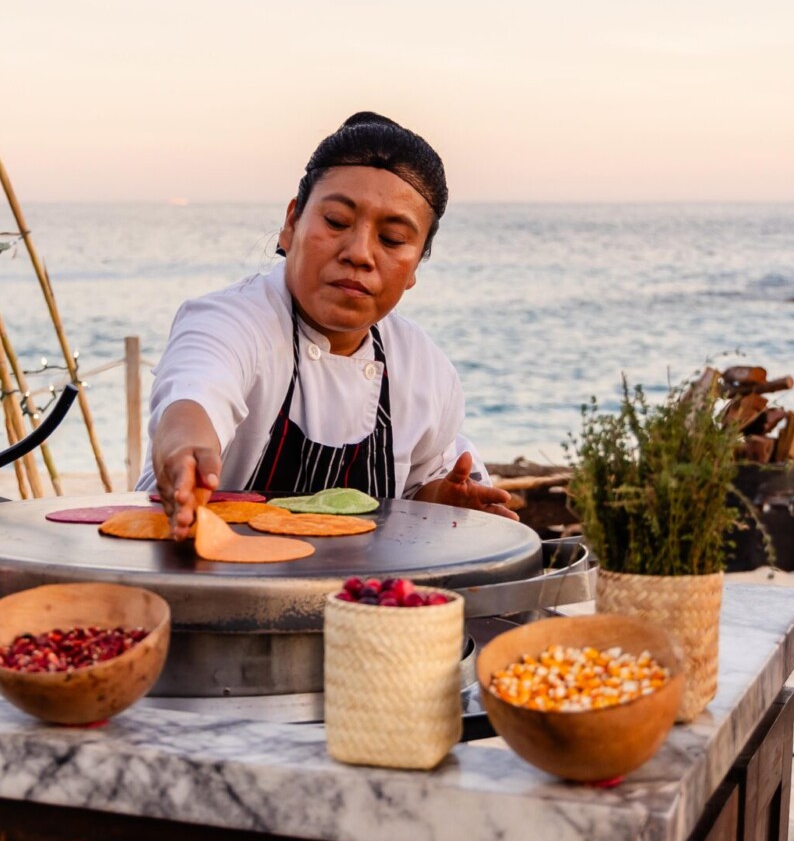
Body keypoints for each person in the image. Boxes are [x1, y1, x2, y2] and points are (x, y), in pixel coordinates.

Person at [138, 111, 516, 538]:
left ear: (415, 267)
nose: (359, 253)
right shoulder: (233, 321)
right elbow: (195, 393)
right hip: (200, 588)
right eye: (336, 221)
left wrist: (441, 506)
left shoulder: (423, 369)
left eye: (392, 239)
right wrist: (186, 450)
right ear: (292, 222)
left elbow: (420, 487)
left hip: (355, 602)